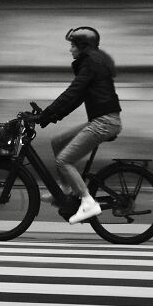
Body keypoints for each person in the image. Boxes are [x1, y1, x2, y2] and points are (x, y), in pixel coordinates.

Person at [22, 27, 122, 224]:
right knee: (58, 142)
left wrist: (46, 116)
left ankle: (88, 202)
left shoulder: (91, 63)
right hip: (103, 120)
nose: (70, 50)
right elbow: (76, 99)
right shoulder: (92, 62)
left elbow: (72, 92)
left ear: (82, 46)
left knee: (64, 161)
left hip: (104, 122)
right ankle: (66, 190)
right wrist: (49, 116)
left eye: (72, 45)